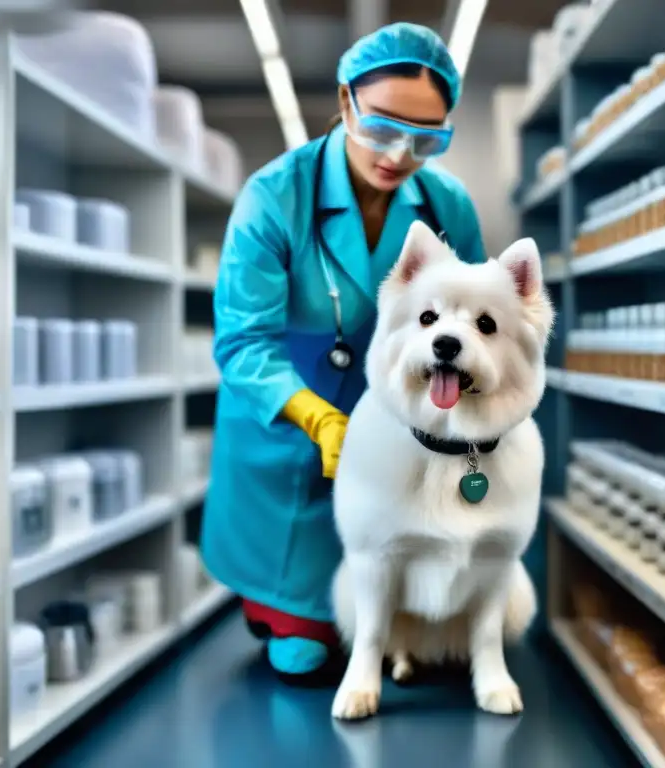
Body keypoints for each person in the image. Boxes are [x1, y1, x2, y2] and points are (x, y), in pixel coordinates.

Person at [202, 22, 487, 684]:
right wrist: (318, 419)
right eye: (382, 127)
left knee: (390, 567)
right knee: (305, 638)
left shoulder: (446, 204)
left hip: (397, 407)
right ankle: (283, 611)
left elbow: (476, 313)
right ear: (345, 100)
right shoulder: (275, 197)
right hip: (288, 403)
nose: (399, 154)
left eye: (427, 137)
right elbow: (243, 340)